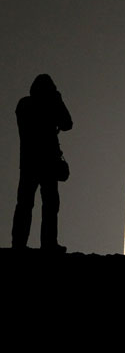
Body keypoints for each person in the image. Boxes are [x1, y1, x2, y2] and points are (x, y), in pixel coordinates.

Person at [12, 74, 73, 252]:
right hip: (47, 163)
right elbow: (67, 123)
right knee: (50, 205)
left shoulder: (24, 105)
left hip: (29, 162)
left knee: (24, 204)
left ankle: (19, 244)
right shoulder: (50, 105)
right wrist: (57, 100)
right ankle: (48, 244)